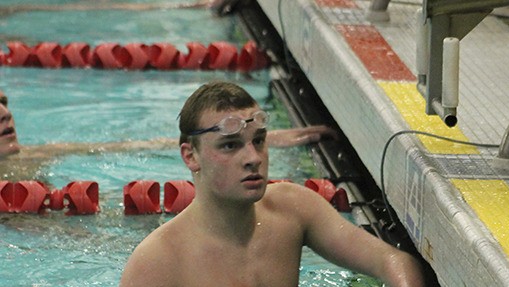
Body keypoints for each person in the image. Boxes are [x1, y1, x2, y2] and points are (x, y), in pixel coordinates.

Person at [118, 81, 468, 287]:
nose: (253, 157)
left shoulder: (293, 208)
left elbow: (388, 258)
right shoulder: (160, 258)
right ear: (190, 156)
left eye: (259, 140)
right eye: (230, 146)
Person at [0, 88, 335, 160]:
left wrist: (258, 137)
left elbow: (128, 148)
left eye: (3, 102)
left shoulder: (32, 156)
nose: (5, 113)